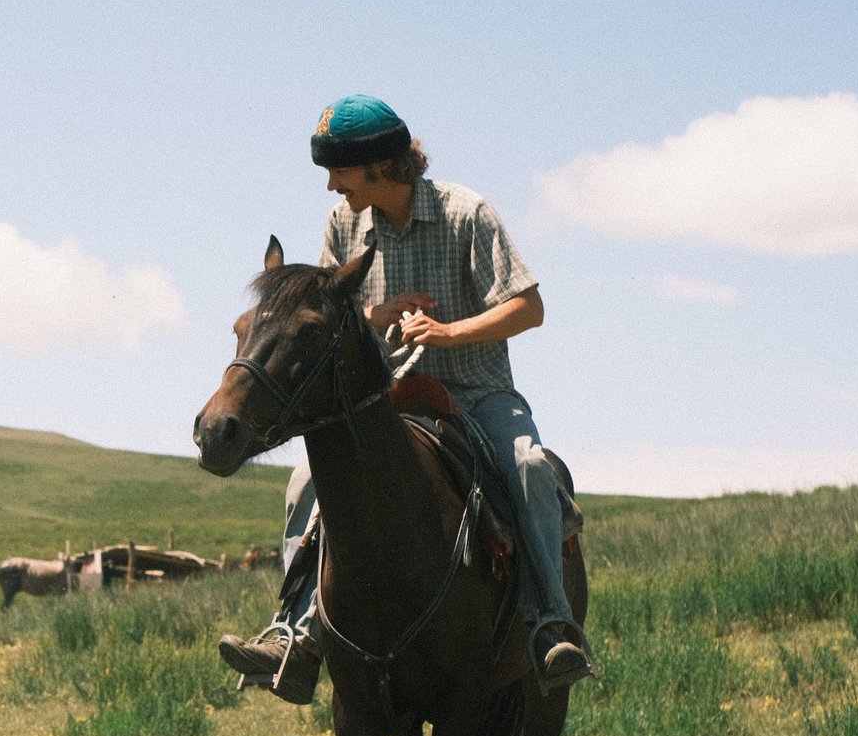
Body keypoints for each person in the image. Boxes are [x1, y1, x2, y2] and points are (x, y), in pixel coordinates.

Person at [219, 95, 596, 702]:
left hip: (476, 392)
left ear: (377, 168)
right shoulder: (344, 227)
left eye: (339, 171)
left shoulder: (466, 213)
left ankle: (551, 624)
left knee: (527, 467)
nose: (331, 186)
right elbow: (317, 323)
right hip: (381, 403)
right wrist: (374, 315)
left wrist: (450, 331)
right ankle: (294, 635)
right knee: (300, 485)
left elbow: (530, 308)